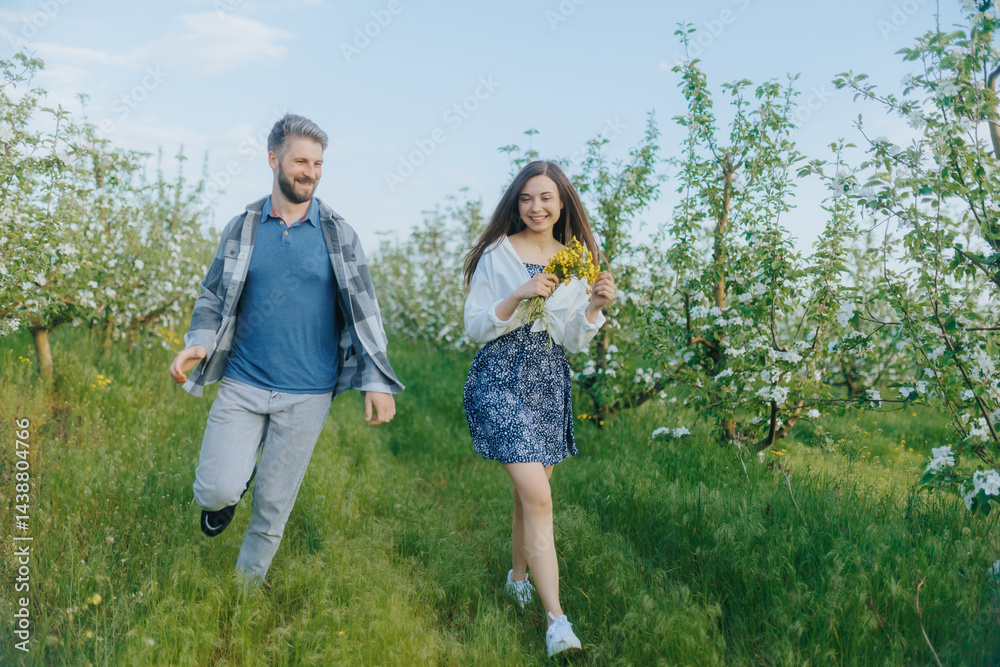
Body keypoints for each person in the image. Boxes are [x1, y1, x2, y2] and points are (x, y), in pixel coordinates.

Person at [168, 113, 402, 586]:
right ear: (274, 159)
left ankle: (242, 595)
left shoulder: (339, 233)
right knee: (214, 489)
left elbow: (364, 310)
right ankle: (228, 495)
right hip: (242, 381)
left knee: (273, 504)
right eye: (300, 160)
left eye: (318, 163)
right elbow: (213, 295)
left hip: (307, 393)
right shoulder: (243, 228)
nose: (310, 172)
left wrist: (375, 382)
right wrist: (199, 341)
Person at [462, 160, 615, 658]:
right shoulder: (495, 254)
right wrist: (518, 293)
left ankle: (517, 577)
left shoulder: (576, 259)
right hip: (500, 376)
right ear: (516, 202)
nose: (536, 207)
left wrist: (592, 308)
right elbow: (476, 327)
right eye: (527, 198)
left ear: (562, 203)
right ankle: (557, 621)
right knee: (539, 497)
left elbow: (571, 337)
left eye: (546, 198)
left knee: (531, 493)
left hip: (548, 380)